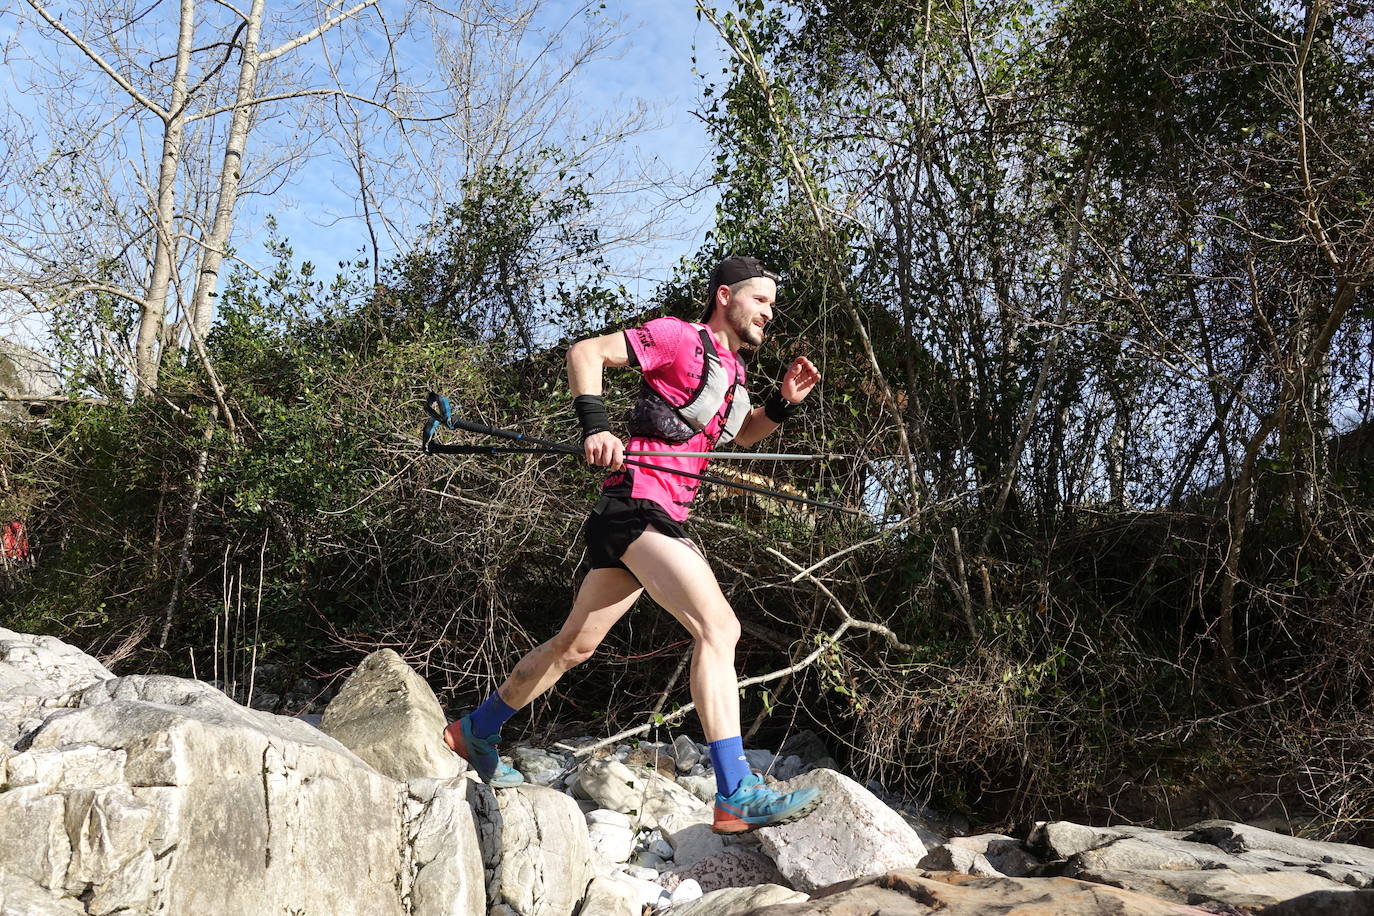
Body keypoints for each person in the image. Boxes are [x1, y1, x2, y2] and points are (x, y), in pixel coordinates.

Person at [444, 255, 824, 834]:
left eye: (772, 305)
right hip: (635, 508)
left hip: (662, 518)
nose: (770, 314)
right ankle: (735, 790)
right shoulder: (677, 337)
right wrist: (595, 425)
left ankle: (476, 729)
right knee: (719, 630)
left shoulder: (735, 376)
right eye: (762, 301)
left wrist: (782, 404)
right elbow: (586, 353)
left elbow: (738, 436)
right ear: (726, 296)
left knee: (574, 647)